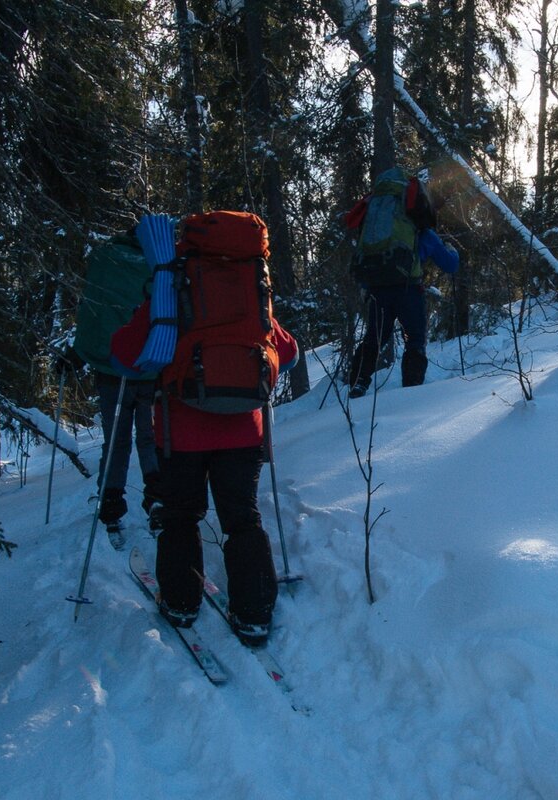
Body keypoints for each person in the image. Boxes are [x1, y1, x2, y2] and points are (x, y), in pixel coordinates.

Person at [110, 223, 300, 643]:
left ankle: (181, 603)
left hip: (182, 431)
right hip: (244, 429)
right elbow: (287, 353)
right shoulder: (253, 283)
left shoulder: (172, 281)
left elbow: (125, 355)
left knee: (180, 515)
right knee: (243, 519)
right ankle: (254, 614)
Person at [57, 231, 163, 547]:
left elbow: (91, 316)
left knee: (116, 440)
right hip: (151, 367)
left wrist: (78, 353)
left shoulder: (105, 260)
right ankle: (158, 499)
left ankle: (111, 506)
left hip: (112, 368)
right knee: (150, 437)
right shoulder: (159, 262)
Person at [346, 170, 460, 398]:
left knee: (374, 339)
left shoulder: (377, 225)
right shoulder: (421, 231)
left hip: (378, 291)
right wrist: (452, 250)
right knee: (414, 339)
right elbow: (450, 264)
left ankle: (358, 384)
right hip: (409, 291)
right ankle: (411, 392)